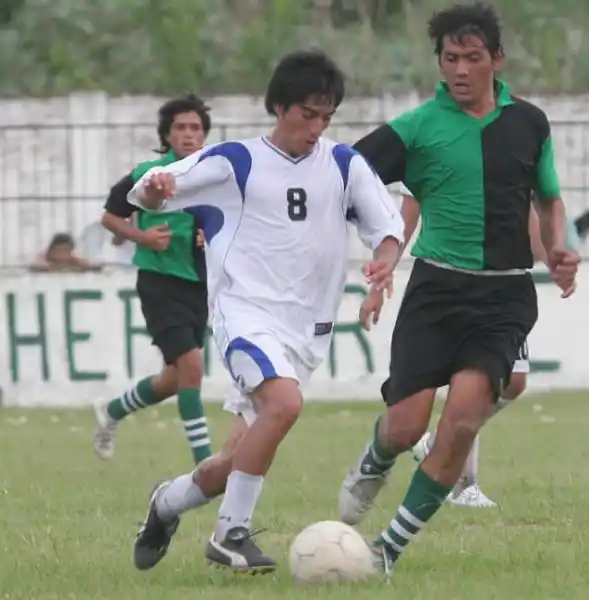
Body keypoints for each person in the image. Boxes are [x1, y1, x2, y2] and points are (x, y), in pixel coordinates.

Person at [127, 50, 404, 575]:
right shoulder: (235, 161)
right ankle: (230, 534)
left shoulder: (344, 164)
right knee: (284, 405)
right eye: (307, 114)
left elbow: (386, 227)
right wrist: (156, 187)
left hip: (305, 334)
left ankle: (165, 504)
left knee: (235, 460)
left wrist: (384, 263)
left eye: (326, 116)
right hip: (245, 315)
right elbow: (150, 192)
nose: (316, 127)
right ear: (279, 107)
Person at [338, 2, 580, 576]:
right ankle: (376, 457)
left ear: (497, 60)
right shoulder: (418, 127)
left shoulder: (529, 122)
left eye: (474, 58)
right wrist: (386, 250)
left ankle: (387, 551)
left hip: (505, 296)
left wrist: (560, 249)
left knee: (463, 420)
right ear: (439, 63)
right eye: (451, 58)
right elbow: (345, 173)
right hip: (437, 291)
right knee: (406, 426)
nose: (462, 69)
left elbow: (549, 197)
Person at [399, 195, 547, 508]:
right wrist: (389, 257)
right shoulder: (439, 149)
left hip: (504, 280)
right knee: (472, 378)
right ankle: (464, 486)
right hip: (452, 280)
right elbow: (411, 201)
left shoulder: (519, 149)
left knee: (515, 381)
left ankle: (439, 443)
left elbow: (530, 208)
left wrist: (554, 252)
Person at [92, 94, 214, 465]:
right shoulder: (149, 173)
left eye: (195, 128)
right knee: (192, 366)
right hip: (159, 281)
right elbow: (111, 217)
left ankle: (113, 410)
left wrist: (212, 231)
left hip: (200, 284)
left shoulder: (214, 173)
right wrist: (143, 238)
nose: (189, 134)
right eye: (180, 128)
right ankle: (206, 467)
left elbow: (232, 217)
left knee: (174, 378)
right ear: (167, 134)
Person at [30, 232, 101, 272]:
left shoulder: (74, 262)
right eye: (59, 251)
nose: (62, 255)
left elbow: (96, 266)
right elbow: (33, 267)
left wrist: (81, 263)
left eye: (65, 251)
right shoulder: (44, 262)